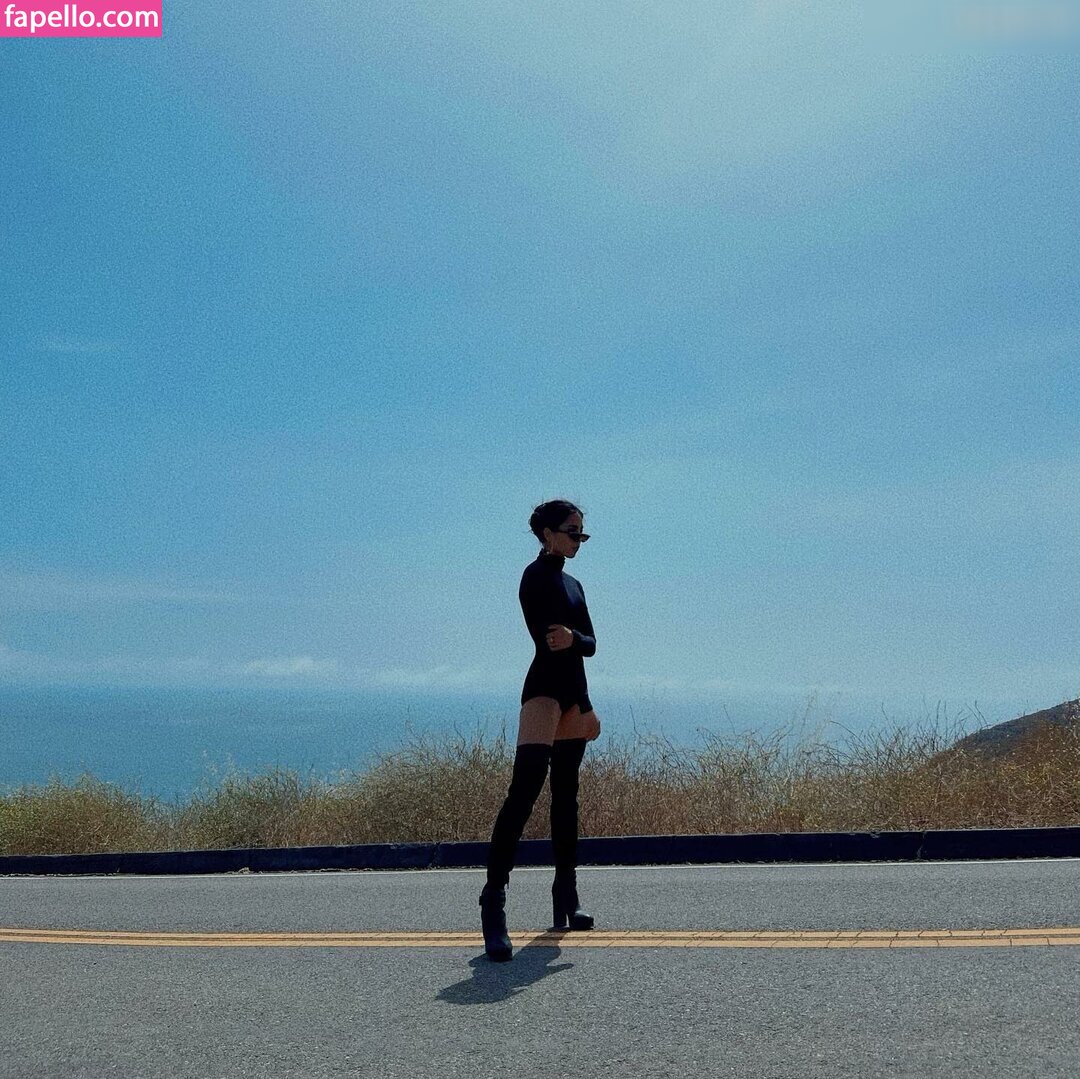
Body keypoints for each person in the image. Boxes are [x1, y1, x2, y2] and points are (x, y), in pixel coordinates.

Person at [479, 499, 602, 962]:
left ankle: (566, 893)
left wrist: (585, 704)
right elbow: (551, 641)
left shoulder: (575, 584)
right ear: (548, 534)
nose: (578, 540)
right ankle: (493, 902)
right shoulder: (535, 577)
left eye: (582, 534)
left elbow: (588, 643)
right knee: (524, 793)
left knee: (567, 798)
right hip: (544, 691)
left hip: (573, 694)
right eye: (572, 532)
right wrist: (569, 640)